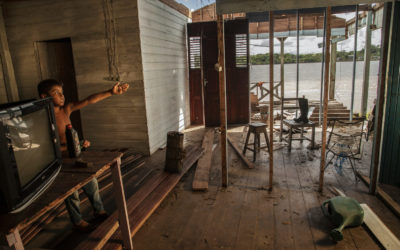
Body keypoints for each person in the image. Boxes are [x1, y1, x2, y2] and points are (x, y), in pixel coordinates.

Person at [37, 79, 129, 231]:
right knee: (71, 192)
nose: (62, 96)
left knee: (91, 182)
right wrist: (74, 145)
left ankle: (99, 211)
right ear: (43, 96)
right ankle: (77, 221)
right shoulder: (42, 119)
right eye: (56, 93)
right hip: (61, 161)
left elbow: (88, 100)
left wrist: (110, 92)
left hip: (77, 155)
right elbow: (46, 148)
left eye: (62, 92)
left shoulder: (66, 110)